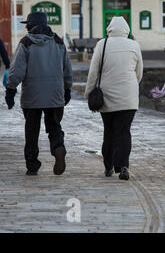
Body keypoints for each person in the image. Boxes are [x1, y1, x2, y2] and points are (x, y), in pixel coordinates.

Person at [5, 12, 73, 176]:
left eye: (27, 24)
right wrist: (67, 88)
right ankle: (58, 148)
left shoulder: (26, 43)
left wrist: (11, 89)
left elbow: (17, 71)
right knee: (54, 126)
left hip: (32, 96)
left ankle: (32, 164)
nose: (26, 27)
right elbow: (67, 68)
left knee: (32, 131)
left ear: (31, 25)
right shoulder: (58, 41)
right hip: (55, 94)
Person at [85, 16, 143, 181]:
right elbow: (139, 72)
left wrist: (89, 92)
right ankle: (123, 166)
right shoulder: (134, 45)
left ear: (109, 29)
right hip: (129, 97)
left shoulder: (102, 45)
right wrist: (131, 86)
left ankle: (108, 166)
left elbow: (93, 72)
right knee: (124, 131)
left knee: (109, 131)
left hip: (107, 96)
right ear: (126, 30)